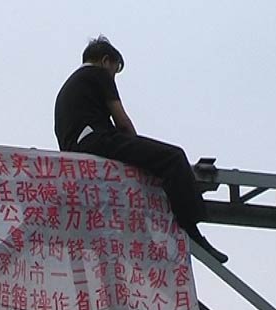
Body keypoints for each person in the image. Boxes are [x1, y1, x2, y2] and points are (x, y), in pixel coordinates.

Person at [54, 35, 228, 264]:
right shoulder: (98, 74)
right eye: (115, 71)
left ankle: (185, 231)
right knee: (173, 158)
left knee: (154, 161)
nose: (113, 77)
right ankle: (192, 231)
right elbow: (122, 121)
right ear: (106, 61)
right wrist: (139, 149)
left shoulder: (68, 88)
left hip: (75, 152)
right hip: (97, 141)